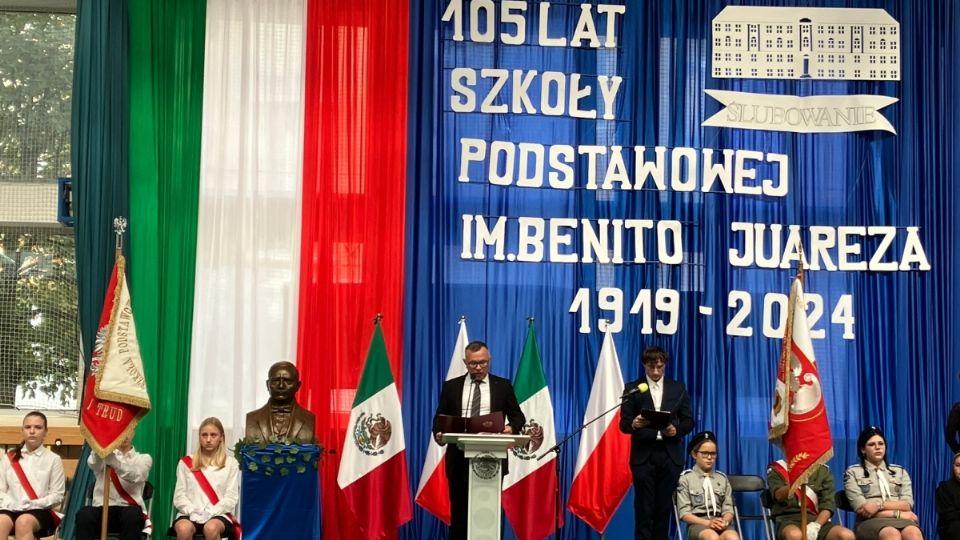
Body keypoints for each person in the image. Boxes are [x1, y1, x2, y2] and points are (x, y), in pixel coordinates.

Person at [432, 340, 525, 540]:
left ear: (489, 360)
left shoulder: (503, 385)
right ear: (465, 362)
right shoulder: (451, 387)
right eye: (473, 363)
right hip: (458, 459)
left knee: (488, 513)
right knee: (459, 515)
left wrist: (510, 428)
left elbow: (518, 417)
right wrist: (439, 434)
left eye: (483, 362)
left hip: (491, 458)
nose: (479, 367)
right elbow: (439, 419)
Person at [619, 345, 695, 540]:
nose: (655, 371)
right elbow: (624, 424)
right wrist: (635, 423)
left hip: (669, 455)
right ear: (644, 365)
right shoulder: (633, 388)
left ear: (664, 365)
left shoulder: (678, 388)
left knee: (663, 510)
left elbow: (689, 421)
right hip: (644, 456)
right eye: (651, 367)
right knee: (644, 510)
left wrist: (676, 430)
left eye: (659, 367)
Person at [843, 426, 923, 540]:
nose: (877, 448)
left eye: (881, 444)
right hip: (870, 521)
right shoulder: (852, 472)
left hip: (902, 519)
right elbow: (863, 511)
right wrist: (898, 514)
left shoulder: (900, 471)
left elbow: (907, 504)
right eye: (872, 444)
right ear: (863, 449)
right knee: (891, 534)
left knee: (913, 532)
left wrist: (878, 505)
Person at [171, 417, 240, 540]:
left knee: (211, 528)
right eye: (204, 435)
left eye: (213, 435)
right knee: (183, 529)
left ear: (221, 437)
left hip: (219, 514)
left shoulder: (231, 463)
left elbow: (231, 496)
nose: (208, 439)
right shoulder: (186, 462)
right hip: (189, 513)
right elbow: (179, 495)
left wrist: (211, 512)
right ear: (199, 437)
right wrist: (192, 511)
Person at [0, 411, 65, 540]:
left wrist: (34, 504)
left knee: (23, 522)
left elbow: (57, 495)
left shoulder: (54, 459)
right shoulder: (8, 458)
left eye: (38, 427)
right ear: (22, 430)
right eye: (28, 427)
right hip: (11, 507)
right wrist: (11, 504)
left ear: (45, 432)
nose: (32, 431)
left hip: (41, 510)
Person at [76, 433, 153, 540]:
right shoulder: (102, 455)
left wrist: (114, 462)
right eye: (121, 431)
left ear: (134, 431)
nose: (125, 435)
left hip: (129, 511)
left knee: (131, 515)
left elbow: (137, 475)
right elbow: (93, 463)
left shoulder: (143, 459)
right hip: (102, 510)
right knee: (84, 514)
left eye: (128, 430)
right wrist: (101, 448)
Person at [676, 431, 739, 540]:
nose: (709, 457)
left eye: (713, 453)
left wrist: (725, 521)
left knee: (732, 536)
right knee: (712, 537)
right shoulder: (686, 478)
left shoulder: (722, 478)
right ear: (694, 454)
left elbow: (728, 509)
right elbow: (684, 514)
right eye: (705, 453)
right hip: (698, 523)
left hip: (719, 521)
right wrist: (707, 522)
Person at [767, 461, 854, 540]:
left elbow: (828, 505)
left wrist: (816, 525)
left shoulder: (823, 471)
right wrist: (796, 482)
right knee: (794, 535)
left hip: (817, 520)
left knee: (846, 535)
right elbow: (778, 496)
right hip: (788, 519)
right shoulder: (777, 469)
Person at [245, 361, 316, 443]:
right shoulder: (252, 418)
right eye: (275, 381)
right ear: (267, 385)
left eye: (288, 381)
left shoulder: (308, 418)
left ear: (298, 386)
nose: (281, 386)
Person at [935, 452, 960, 539]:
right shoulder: (944, 488)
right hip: (952, 528)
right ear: (953, 467)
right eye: (958, 465)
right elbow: (949, 515)